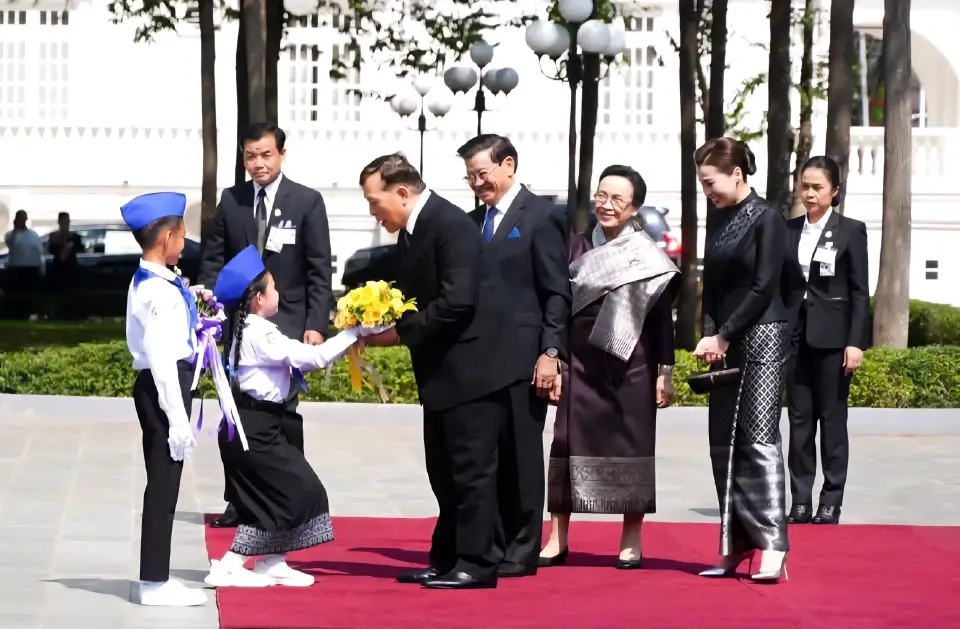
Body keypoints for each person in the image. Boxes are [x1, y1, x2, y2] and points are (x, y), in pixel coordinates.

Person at [359, 152, 503, 589]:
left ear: (402, 193)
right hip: (442, 374)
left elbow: (457, 301)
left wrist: (400, 334)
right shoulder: (414, 228)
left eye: (374, 201)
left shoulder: (450, 224)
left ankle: (477, 563)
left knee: (471, 471)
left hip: (472, 373)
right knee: (442, 471)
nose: (373, 211)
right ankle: (445, 558)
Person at [204, 245, 381, 588]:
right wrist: (354, 332)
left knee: (282, 495)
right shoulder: (260, 332)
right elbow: (312, 359)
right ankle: (229, 564)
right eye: (273, 287)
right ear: (257, 298)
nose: (278, 294)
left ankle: (272, 562)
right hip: (254, 429)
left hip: (256, 424)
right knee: (297, 493)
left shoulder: (247, 329)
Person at [540, 165, 678, 570]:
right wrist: (553, 356)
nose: (607, 205)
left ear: (634, 206)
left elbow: (659, 322)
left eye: (618, 199)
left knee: (632, 445)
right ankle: (557, 537)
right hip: (578, 361)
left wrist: (664, 372)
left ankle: (631, 537)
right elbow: (556, 308)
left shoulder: (648, 254)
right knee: (564, 443)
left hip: (631, 365)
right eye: (602, 195)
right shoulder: (573, 247)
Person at [199, 121, 334, 529]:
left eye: (266, 155)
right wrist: (209, 313)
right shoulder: (232, 199)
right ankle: (239, 499)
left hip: (286, 322)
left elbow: (318, 269)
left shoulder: (306, 201)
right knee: (236, 413)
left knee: (283, 413)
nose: (258, 163)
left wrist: (316, 324)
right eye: (250, 156)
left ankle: (290, 496)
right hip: (238, 327)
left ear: (282, 155)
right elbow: (212, 258)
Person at [457, 134, 571, 578]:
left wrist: (550, 352)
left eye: (482, 174)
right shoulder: (472, 221)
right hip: (480, 360)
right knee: (490, 455)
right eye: (469, 177)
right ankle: (495, 541)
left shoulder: (541, 216)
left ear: (508, 165)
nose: (476, 184)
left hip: (525, 357)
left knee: (522, 454)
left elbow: (556, 291)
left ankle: (522, 549)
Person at [692, 137, 804, 583]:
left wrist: (723, 333)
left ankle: (773, 544)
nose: (707, 191)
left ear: (737, 174)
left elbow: (764, 287)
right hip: (724, 338)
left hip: (763, 335)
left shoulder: (768, 218)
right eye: (702, 184)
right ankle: (734, 544)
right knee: (723, 439)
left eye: (710, 182)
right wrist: (708, 334)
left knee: (758, 437)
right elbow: (711, 282)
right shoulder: (718, 217)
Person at [122, 192, 207, 606]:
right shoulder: (158, 292)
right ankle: (154, 582)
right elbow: (160, 356)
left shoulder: (158, 281)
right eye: (182, 235)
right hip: (163, 385)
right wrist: (176, 418)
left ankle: (156, 576)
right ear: (167, 236)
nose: (184, 243)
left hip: (164, 383)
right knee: (163, 484)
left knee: (165, 481)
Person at [785, 156, 870, 525]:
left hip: (834, 341)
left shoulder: (851, 230)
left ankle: (831, 500)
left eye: (818, 186)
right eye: (805, 185)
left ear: (834, 191)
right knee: (799, 422)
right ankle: (800, 500)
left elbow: (859, 292)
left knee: (832, 422)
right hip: (794, 339)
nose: (810, 193)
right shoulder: (787, 231)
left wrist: (856, 342)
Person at [3, 210, 45, 316]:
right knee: (17, 295)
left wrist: (41, 266)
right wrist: (16, 230)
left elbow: (38, 251)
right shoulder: (11, 235)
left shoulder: (33, 235)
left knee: (30, 294)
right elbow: (11, 243)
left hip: (31, 268)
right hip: (17, 268)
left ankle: (31, 312)